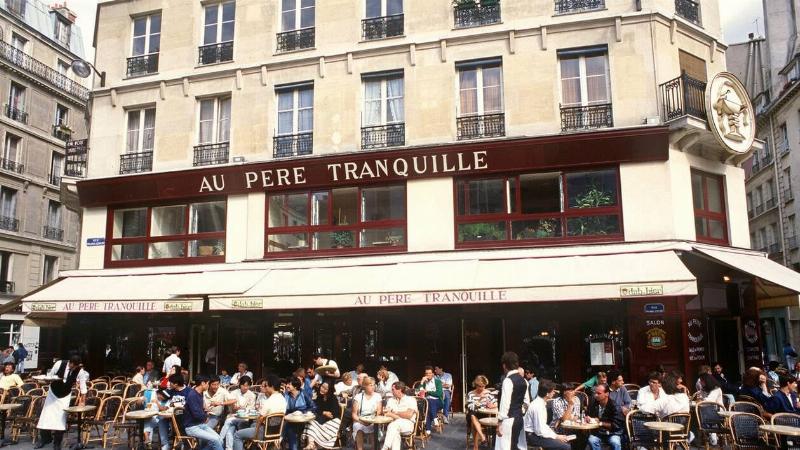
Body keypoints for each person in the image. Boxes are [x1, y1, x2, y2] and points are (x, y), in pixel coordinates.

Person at [36, 355, 89, 450]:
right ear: (69, 362)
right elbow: (50, 376)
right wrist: (49, 379)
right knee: (46, 416)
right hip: (53, 393)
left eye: (74, 366)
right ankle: (45, 439)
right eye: (71, 365)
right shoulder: (59, 363)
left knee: (60, 419)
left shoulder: (80, 371)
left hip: (65, 395)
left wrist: (83, 401)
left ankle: (57, 443)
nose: (71, 367)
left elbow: (83, 387)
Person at [232, 374, 287, 450]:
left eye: (266, 385)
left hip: (263, 432)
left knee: (237, 435)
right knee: (245, 424)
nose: (265, 387)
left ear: (272, 386)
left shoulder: (269, 401)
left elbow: (260, 418)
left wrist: (256, 432)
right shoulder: (282, 399)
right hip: (276, 432)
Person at [523, 380, 571, 450]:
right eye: (553, 391)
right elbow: (540, 430)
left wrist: (555, 435)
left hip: (536, 434)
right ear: (547, 393)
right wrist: (556, 436)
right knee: (566, 447)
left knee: (565, 441)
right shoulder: (538, 406)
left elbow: (542, 427)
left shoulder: (540, 403)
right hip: (533, 437)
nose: (554, 392)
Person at [495, 351, 528, 450]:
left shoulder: (508, 380)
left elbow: (505, 403)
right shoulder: (524, 380)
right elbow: (527, 402)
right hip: (519, 418)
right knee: (515, 446)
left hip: (508, 420)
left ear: (504, 365)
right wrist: (519, 411)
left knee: (506, 447)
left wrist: (500, 422)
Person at [183, 375, 224, 450]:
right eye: (208, 384)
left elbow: (200, 409)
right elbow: (197, 414)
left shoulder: (200, 393)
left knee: (219, 439)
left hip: (200, 425)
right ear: (203, 383)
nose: (208, 386)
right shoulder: (192, 395)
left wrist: (205, 409)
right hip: (192, 427)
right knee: (215, 440)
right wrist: (206, 416)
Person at [220, 376, 257, 450]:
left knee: (228, 422)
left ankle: (220, 440)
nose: (245, 387)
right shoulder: (234, 392)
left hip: (244, 418)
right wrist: (233, 408)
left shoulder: (252, 395)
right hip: (233, 415)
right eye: (244, 385)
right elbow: (230, 406)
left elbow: (251, 409)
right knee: (230, 428)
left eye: (247, 385)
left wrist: (242, 409)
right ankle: (228, 448)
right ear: (240, 385)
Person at [380, 381, 418, 450]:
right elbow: (387, 413)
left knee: (393, 425)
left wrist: (395, 412)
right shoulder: (391, 400)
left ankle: (385, 447)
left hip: (408, 424)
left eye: (393, 389)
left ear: (399, 390)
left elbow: (409, 415)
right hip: (394, 424)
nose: (391, 391)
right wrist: (399, 416)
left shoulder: (411, 400)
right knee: (395, 433)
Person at [303, 382, 341, 449]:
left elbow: (334, 414)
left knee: (314, 422)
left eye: (325, 389)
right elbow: (315, 409)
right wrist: (324, 412)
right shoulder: (319, 397)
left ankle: (314, 444)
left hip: (332, 421)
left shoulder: (333, 398)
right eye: (322, 387)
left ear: (329, 390)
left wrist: (324, 414)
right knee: (310, 422)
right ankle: (311, 444)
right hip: (321, 419)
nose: (322, 389)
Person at [586, 384, 624, 450]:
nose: (595, 395)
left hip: (613, 432)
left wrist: (600, 423)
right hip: (598, 432)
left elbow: (617, 425)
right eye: (595, 393)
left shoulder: (615, 406)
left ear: (607, 394)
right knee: (592, 440)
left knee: (615, 442)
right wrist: (588, 418)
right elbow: (589, 415)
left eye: (599, 393)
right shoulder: (594, 404)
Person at [466, 375, 497, 450]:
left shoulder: (488, 393)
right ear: (476, 385)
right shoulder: (471, 394)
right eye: (480, 386)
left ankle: (476, 446)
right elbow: (471, 406)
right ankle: (482, 437)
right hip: (474, 413)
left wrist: (492, 405)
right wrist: (480, 400)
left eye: (484, 386)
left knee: (474, 423)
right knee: (472, 415)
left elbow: (496, 403)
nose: (482, 388)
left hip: (485, 414)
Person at [285, 377, 316, 450]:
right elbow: (284, 409)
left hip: (303, 421)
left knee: (295, 430)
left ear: (295, 386)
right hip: (291, 421)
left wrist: (304, 413)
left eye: (289, 384)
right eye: (287, 384)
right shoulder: (286, 395)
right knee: (290, 430)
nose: (287, 386)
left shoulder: (303, 393)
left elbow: (313, 406)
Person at [352, 376, 382, 450]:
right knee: (358, 428)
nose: (373, 387)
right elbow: (354, 414)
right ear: (365, 386)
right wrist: (361, 421)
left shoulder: (377, 396)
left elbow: (379, 412)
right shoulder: (358, 397)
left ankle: (373, 448)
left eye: (374, 385)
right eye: (370, 385)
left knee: (374, 429)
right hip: (360, 419)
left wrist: (372, 420)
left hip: (373, 420)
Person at [418, 366, 444, 434]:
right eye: (426, 373)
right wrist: (421, 382)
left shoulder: (437, 382)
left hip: (438, 402)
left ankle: (429, 427)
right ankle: (429, 428)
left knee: (430, 401)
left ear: (433, 374)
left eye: (429, 373)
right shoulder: (424, 382)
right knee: (428, 405)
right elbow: (419, 392)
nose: (428, 375)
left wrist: (427, 392)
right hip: (428, 403)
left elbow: (439, 394)